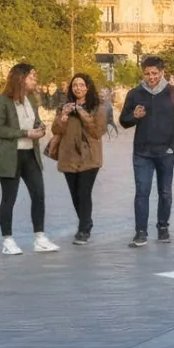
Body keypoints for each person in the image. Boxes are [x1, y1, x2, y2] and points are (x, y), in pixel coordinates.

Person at [119, 56, 174, 247]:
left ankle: (163, 227)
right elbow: (123, 121)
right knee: (141, 192)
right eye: (147, 73)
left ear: (162, 72)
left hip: (165, 153)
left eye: (154, 73)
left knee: (165, 192)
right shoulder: (135, 93)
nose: (151, 77)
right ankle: (141, 232)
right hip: (142, 152)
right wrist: (134, 116)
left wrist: (173, 146)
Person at [0, 63, 59, 255]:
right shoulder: (3, 101)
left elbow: (35, 120)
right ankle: (7, 240)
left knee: (39, 195)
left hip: (30, 155)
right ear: (20, 77)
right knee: (9, 198)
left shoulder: (31, 99)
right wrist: (25, 133)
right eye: (32, 76)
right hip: (10, 156)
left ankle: (40, 237)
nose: (35, 79)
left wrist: (40, 128)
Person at [51, 73, 106, 245]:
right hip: (68, 156)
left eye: (82, 85)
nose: (78, 88)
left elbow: (97, 132)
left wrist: (82, 113)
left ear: (88, 88)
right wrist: (64, 116)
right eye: (75, 85)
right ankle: (86, 221)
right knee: (75, 195)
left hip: (89, 157)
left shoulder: (98, 107)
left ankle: (83, 229)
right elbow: (55, 129)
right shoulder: (64, 106)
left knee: (84, 192)